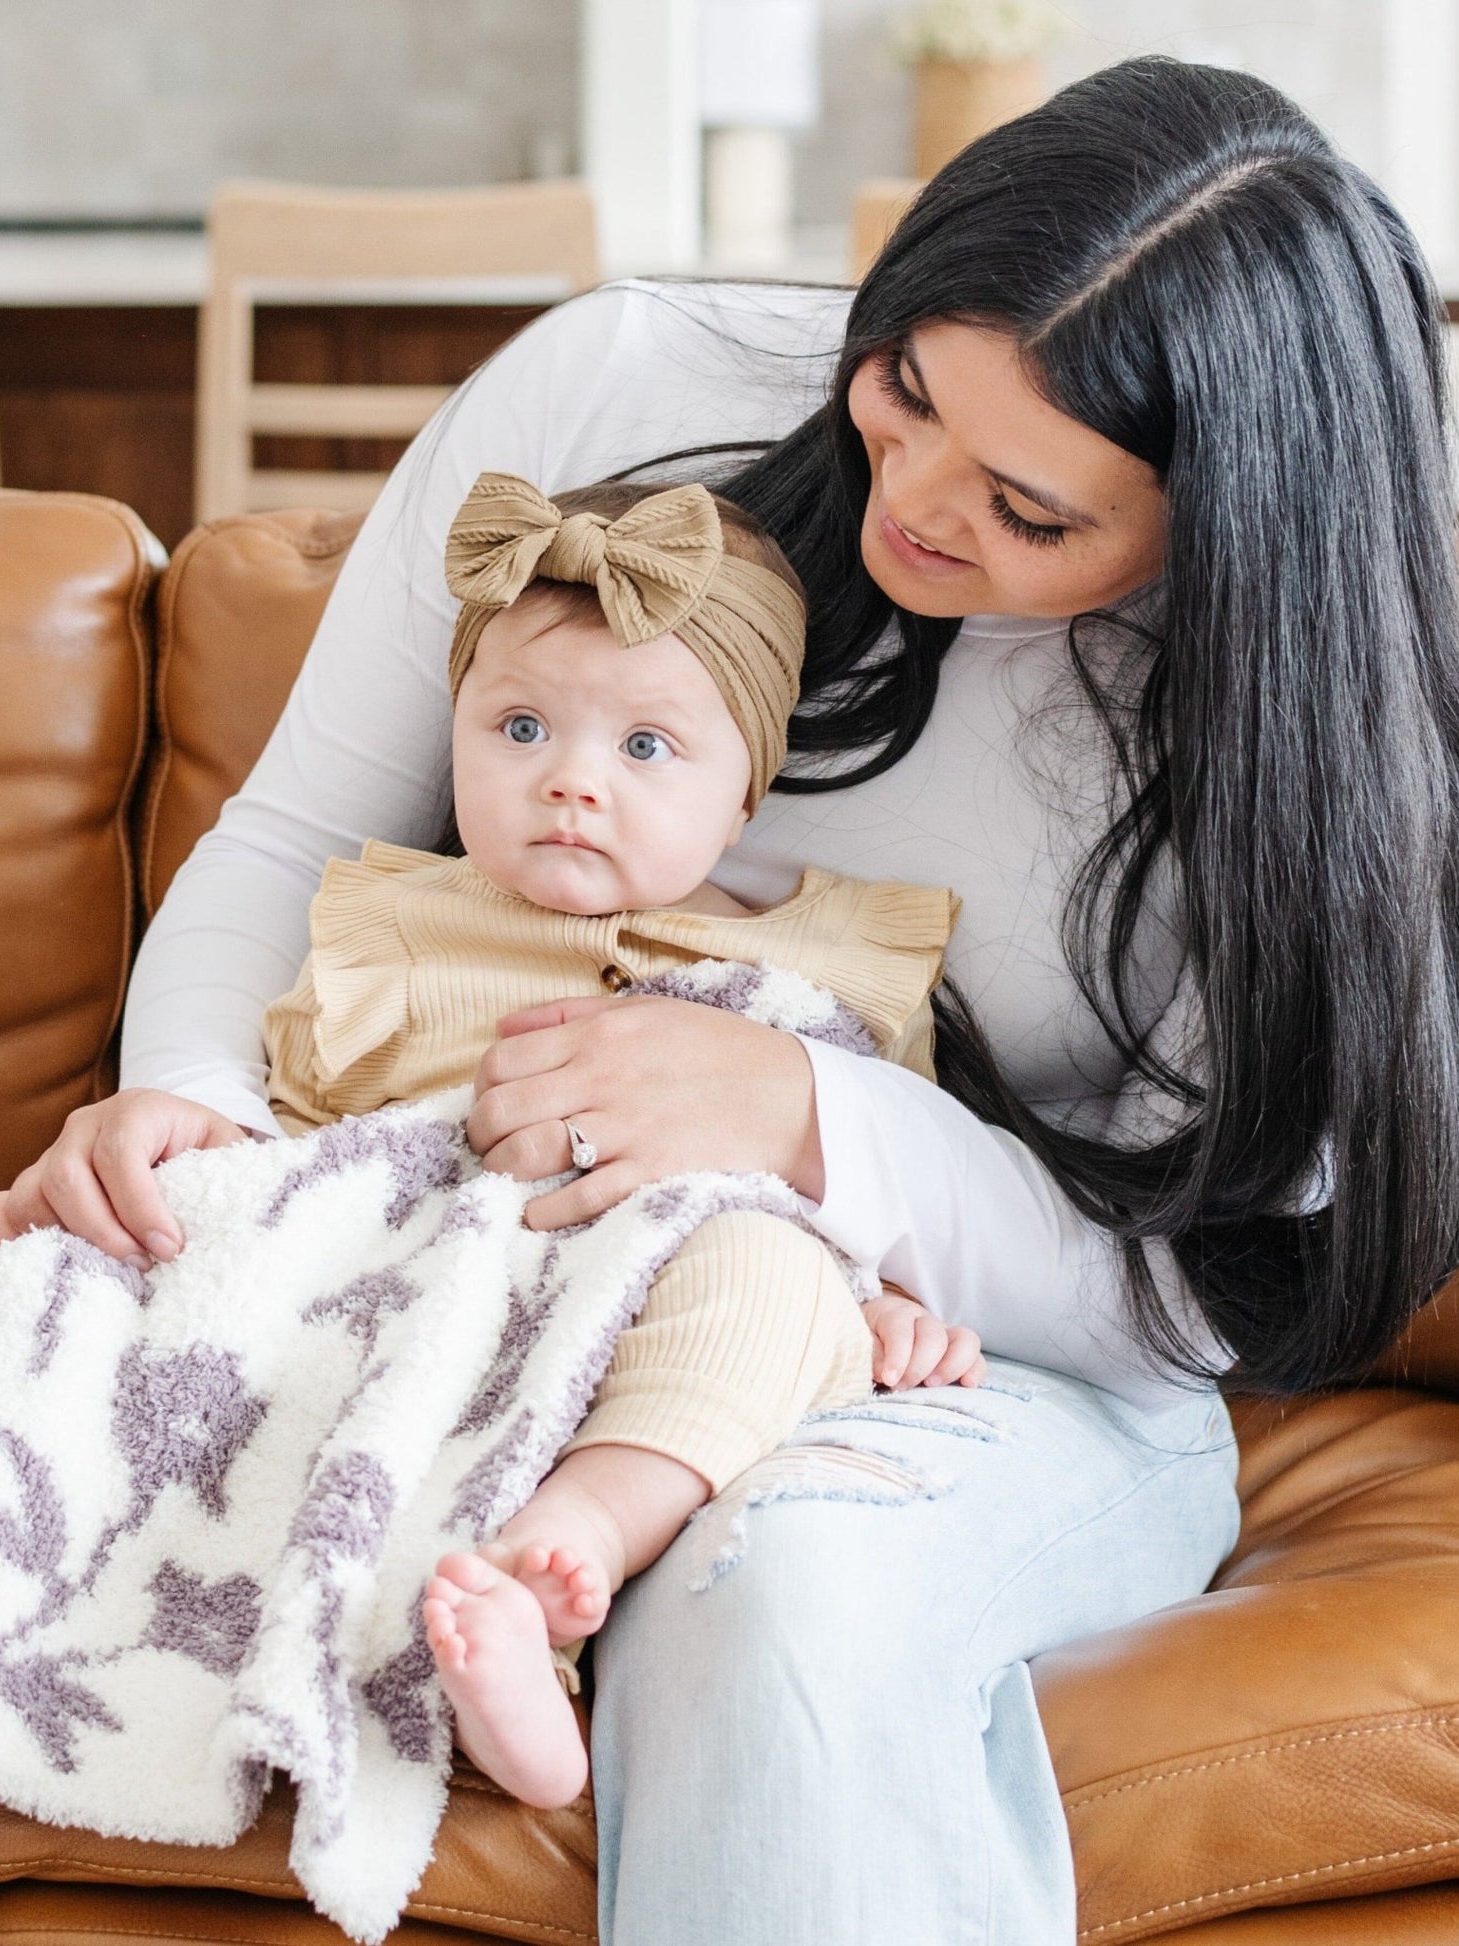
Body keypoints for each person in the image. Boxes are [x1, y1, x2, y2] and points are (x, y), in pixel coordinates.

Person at [0, 57, 1459, 1944]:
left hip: (1008, 1361)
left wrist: (800, 1119)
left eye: (1031, 512)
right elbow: (298, 832)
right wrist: (197, 1115)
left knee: (778, 1598)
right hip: (489, 1265)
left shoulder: (1290, 730)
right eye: (901, 393)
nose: (916, 503)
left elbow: (1186, 1305)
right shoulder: (625, 391)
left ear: (1223, 526)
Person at [261, 466, 979, 1807]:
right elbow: (297, 1163)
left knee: (766, 1271)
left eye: (644, 749)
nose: (571, 784)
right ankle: (483, 1635)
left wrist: (886, 1302)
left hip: (682, 1294)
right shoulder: (392, 937)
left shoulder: (829, 968)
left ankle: (562, 1557)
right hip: (460, 1293)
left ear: (746, 794)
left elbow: (870, 1184)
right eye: (521, 726)